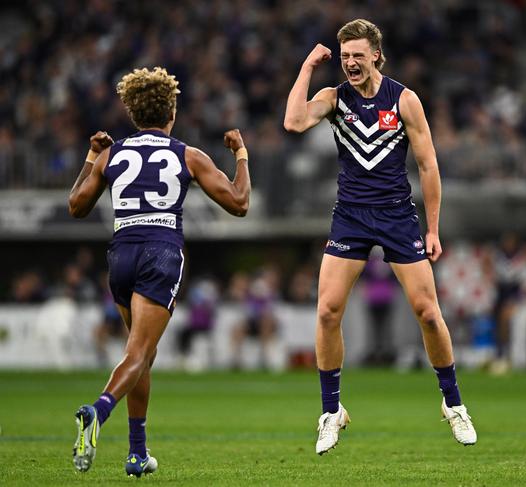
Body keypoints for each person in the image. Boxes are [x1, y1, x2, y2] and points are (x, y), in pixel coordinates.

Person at [284, 19, 477, 455]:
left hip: (396, 216)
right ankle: (331, 412)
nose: (350, 62)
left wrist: (432, 227)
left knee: (428, 312)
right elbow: (294, 122)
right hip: (350, 216)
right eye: (345, 55)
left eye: (358, 55)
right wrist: (307, 67)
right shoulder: (334, 99)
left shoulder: (404, 100)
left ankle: (454, 403)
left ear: (375, 54)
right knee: (328, 310)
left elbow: (428, 166)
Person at [68, 67, 251, 475]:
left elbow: (76, 206)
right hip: (161, 251)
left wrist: (91, 156)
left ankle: (137, 453)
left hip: (120, 255)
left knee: (141, 355)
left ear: (133, 114)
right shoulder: (188, 154)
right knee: (139, 352)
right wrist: (240, 152)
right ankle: (97, 411)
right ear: (171, 113)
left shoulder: (113, 155)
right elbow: (239, 203)